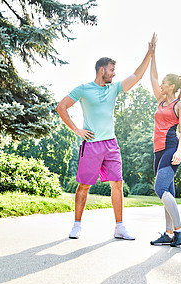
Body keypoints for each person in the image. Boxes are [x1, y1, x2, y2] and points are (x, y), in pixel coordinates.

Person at [56, 34, 157, 240]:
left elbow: (136, 76)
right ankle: (76, 224)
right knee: (84, 185)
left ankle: (119, 227)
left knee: (117, 184)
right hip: (91, 144)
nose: (114, 73)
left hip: (111, 144)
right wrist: (77, 130)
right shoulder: (83, 89)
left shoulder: (114, 88)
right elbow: (61, 107)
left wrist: (149, 53)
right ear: (102, 70)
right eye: (111, 70)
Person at [149, 39, 181, 247]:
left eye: (165, 83)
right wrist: (152, 54)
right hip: (158, 150)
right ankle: (167, 233)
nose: (161, 85)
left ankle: (180, 229)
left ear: (172, 86)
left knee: (160, 187)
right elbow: (153, 77)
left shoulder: (179, 104)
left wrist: (179, 151)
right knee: (168, 192)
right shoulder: (160, 100)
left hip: (171, 148)